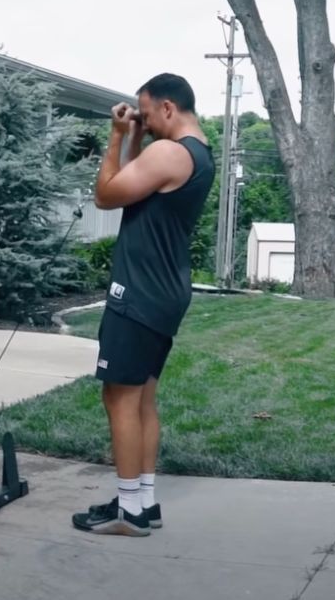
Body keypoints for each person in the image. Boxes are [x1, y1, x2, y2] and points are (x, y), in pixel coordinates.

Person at [71, 73, 215, 537]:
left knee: (118, 397)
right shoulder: (199, 154)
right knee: (142, 399)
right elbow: (135, 183)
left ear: (169, 108)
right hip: (166, 289)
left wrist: (116, 137)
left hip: (139, 291)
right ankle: (142, 502)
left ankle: (128, 513)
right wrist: (135, 135)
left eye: (148, 114)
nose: (146, 123)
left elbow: (107, 194)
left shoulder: (169, 152)